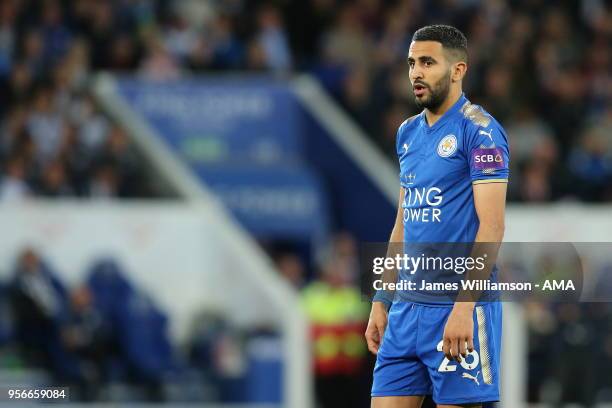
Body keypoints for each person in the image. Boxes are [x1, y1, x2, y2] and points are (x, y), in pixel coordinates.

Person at [365, 25, 509, 408]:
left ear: (458, 70)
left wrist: (463, 309)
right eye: (412, 63)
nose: (416, 72)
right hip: (406, 309)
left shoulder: (481, 132)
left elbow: (492, 226)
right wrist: (382, 297)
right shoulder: (407, 133)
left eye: (427, 62)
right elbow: (403, 221)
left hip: (456, 307)